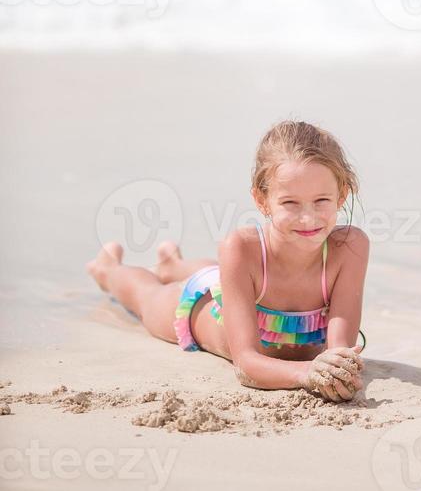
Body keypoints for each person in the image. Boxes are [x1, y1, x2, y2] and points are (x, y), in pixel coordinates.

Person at [87, 120, 369, 403]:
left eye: (321, 200)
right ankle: (107, 268)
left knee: (218, 272)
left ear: (341, 194)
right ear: (262, 199)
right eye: (290, 203)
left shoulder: (349, 248)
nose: (308, 217)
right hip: (200, 308)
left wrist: (337, 368)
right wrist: (306, 372)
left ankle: (171, 263)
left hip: (236, 278)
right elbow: (246, 364)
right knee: (146, 295)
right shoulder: (241, 247)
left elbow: (339, 353)